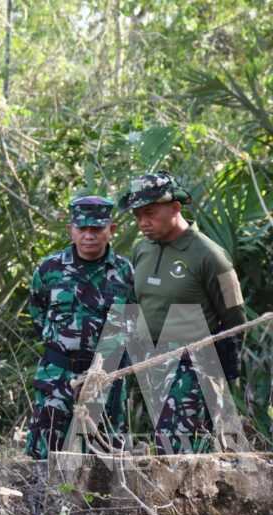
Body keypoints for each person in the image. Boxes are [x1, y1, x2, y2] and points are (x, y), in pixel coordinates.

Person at [118, 170, 246, 454]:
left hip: (194, 365)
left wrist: (221, 377)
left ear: (175, 207)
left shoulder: (210, 256)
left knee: (177, 449)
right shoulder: (142, 250)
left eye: (149, 213)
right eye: (137, 216)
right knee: (168, 447)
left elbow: (235, 321)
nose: (142, 223)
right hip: (152, 365)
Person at [25, 196, 134, 459]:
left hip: (104, 375)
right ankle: (45, 500)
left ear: (111, 230)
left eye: (96, 229)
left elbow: (131, 320)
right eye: (82, 229)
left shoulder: (124, 272)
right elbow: (37, 313)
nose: (89, 236)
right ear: (71, 230)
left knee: (104, 454)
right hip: (57, 373)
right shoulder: (50, 269)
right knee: (46, 449)